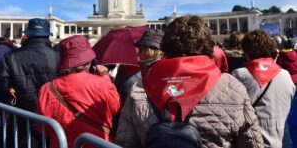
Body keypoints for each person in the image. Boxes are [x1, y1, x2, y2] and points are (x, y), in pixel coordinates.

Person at [115, 15, 263, 148]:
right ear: (207, 44)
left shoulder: (140, 89)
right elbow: (252, 143)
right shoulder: (232, 86)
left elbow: (125, 143)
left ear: (166, 45)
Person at [37, 35, 121, 148]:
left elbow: (43, 128)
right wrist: (105, 78)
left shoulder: (47, 88)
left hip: (61, 144)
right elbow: (115, 107)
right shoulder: (100, 83)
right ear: (87, 61)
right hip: (96, 143)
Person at [0, 18, 59, 148]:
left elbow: (2, 86)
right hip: (51, 117)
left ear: (28, 34)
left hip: (20, 115)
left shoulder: (11, 56)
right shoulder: (58, 56)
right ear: (47, 35)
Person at [232, 30, 296, 148]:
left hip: (253, 142)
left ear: (246, 51)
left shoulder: (239, 75)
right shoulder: (285, 75)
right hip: (282, 141)